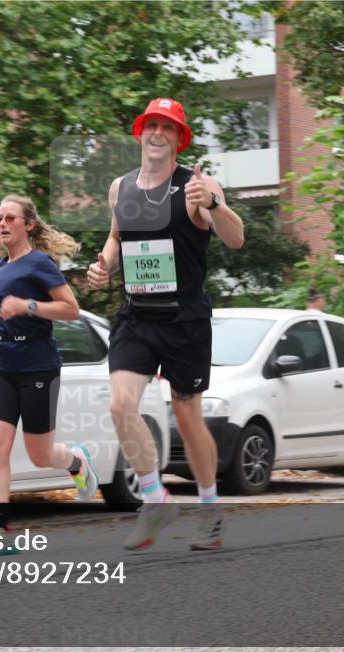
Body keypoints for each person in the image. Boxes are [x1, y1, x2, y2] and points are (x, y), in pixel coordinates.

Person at [87, 98, 244, 551]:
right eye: (151, 125)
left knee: (187, 417)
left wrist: (214, 204)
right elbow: (116, 238)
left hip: (184, 319)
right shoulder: (120, 188)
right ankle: (155, 498)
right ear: (141, 132)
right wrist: (105, 265)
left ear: (179, 139)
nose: (158, 132)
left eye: (168, 127)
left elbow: (236, 238)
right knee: (120, 405)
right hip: (137, 315)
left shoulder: (197, 184)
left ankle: (210, 512)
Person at [0, 194, 97, 556]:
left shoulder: (40, 263)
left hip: (38, 364)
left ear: (28, 224)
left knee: (40, 455)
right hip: (2, 364)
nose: (2, 224)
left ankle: (76, 461)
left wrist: (29, 305)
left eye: (10, 217)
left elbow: (71, 310)